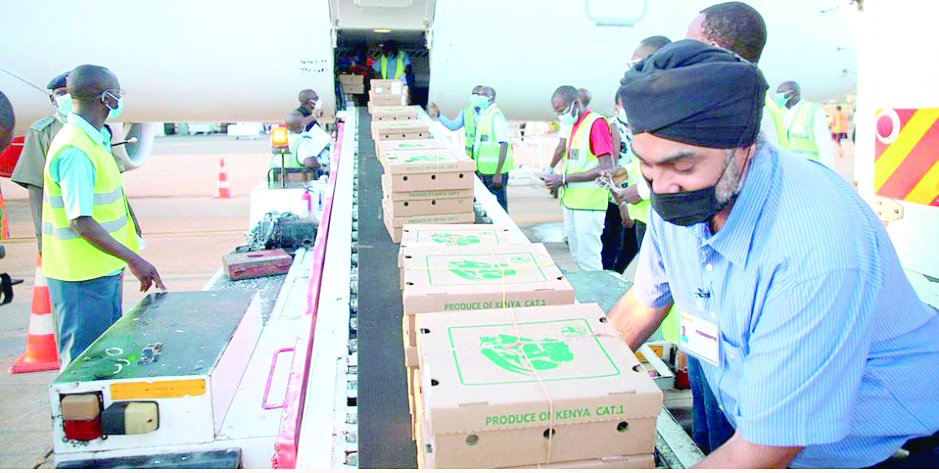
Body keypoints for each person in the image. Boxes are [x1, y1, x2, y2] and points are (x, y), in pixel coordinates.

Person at [611, 39, 939, 468]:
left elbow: (766, 447)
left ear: (744, 148)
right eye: (647, 166)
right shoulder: (675, 199)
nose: (662, 186)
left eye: (684, 167)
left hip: (878, 452)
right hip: (762, 425)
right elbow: (643, 301)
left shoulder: (814, 248)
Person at [679, 2, 770, 454]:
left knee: (735, 431)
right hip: (705, 322)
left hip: (738, 333)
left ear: (713, 50)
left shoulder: (736, 125)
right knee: (708, 422)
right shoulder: (705, 117)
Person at [42, 65, 165, 369]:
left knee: (108, 355)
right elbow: (80, 221)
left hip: (101, 268)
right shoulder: (76, 150)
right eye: (117, 94)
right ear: (107, 98)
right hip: (82, 277)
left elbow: (108, 198)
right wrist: (136, 260)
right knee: (86, 364)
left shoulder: (93, 139)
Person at [601, 36, 671, 273]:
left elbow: (675, 162)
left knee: (663, 279)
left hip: (661, 213)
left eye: (636, 64)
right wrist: (623, 172)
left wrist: (639, 190)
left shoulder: (671, 106)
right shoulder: (653, 104)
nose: (631, 72)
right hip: (646, 213)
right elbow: (647, 160)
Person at [542, 86, 614, 272]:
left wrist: (564, 178)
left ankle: (596, 299)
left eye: (562, 111)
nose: (561, 116)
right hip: (573, 202)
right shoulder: (575, 125)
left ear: (575, 103)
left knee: (588, 258)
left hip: (589, 204)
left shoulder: (596, 123)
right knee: (577, 256)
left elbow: (606, 167)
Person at [11, 72, 71, 252]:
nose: (67, 97)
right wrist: (42, 238)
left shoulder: (100, 130)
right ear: (53, 100)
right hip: (63, 227)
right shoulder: (42, 132)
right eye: (61, 93)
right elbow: (36, 187)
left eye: (71, 92)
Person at [770, 81, 835, 169]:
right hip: (789, 168)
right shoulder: (781, 112)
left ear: (791, 94)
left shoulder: (813, 111)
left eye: (780, 92)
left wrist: (827, 170)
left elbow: (824, 144)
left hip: (810, 168)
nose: (777, 96)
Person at [469, 87, 512, 211]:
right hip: (484, 170)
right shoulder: (484, 114)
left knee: (500, 206)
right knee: (487, 207)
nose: (479, 97)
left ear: (491, 97)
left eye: (483, 95)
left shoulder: (495, 115)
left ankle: (504, 230)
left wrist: (498, 173)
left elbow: (503, 144)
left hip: (494, 172)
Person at [428, 85, 485, 159]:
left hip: (485, 156)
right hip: (471, 156)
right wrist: (439, 115)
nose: (476, 97)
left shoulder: (489, 113)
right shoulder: (466, 112)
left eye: (479, 95)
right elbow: (453, 126)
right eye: (474, 94)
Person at [281, 111, 327, 178]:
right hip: (296, 180)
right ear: (301, 126)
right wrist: (320, 165)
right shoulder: (300, 142)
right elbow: (310, 163)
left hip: (277, 180)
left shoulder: (282, 139)